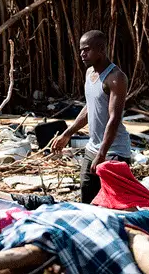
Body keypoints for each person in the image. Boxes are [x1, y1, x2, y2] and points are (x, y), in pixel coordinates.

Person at [51, 30, 132, 204]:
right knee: (87, 198)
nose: (82, 54)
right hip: (92, 148)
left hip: (114, 152)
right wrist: (67, 133)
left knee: (114, 203)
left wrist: (102, 154)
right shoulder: (89, 73)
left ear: (101, 49)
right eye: (81, 50)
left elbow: (114, 119)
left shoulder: (116, 78)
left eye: (87, 50)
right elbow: (90, 108)